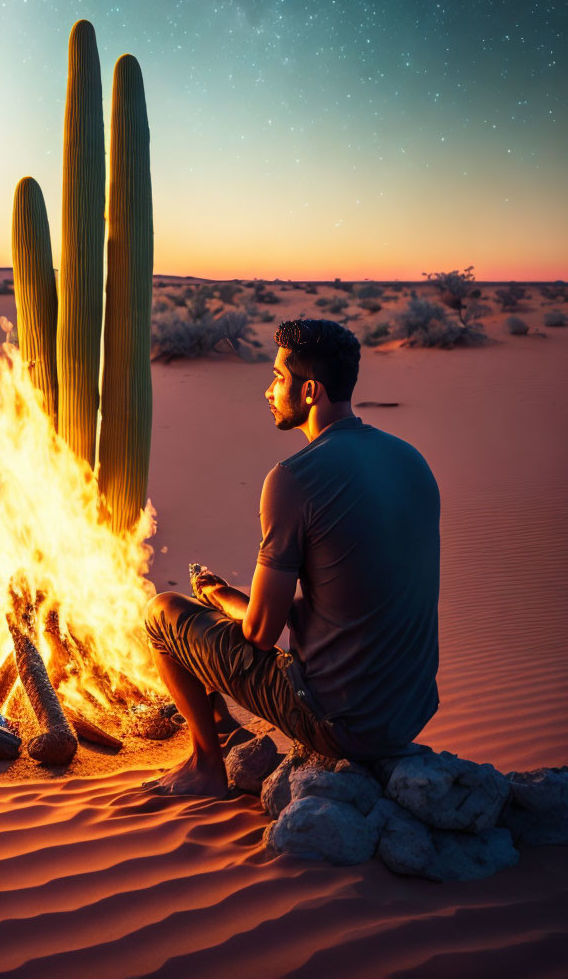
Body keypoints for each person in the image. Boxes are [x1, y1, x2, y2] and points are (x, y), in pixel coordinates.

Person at [144, 318, 441, 797]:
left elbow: (262, 634)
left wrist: (220, 596)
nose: (268, 390)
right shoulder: (411, 460)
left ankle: (204, 765)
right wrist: (227, 599)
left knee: (163, 613)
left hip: (337, 721)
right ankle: (220, 721)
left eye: (278, 377)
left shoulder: (293, 478)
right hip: (409, 714)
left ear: (309, 392)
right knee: (226, 619)